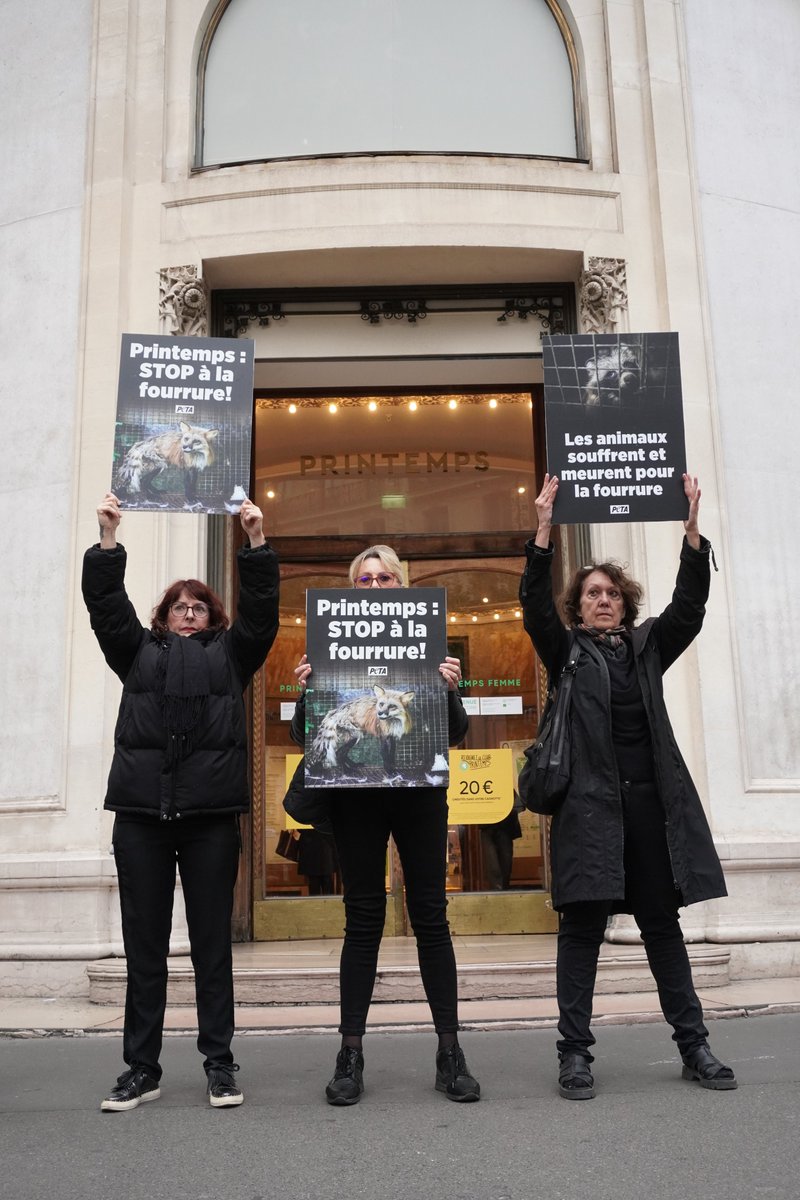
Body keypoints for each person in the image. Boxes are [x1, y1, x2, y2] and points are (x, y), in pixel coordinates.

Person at [521, 473, 735, 1100]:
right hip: (588, 815)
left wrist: (691, 529)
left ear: (626, 601)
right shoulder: (565, 654)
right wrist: (542, 528)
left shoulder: (646, 648)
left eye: (611, 592)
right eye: (591, 593)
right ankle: (575, 1055)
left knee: (662, 931)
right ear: (578, 607)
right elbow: (534, 605)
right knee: (581, 934)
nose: (603, 600)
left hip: (650, 815)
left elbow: (689, 610)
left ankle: (694, 1044)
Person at [83, 493, 279, 1112]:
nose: (189, 614)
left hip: (210, 821)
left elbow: (263, 617)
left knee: (211, 947)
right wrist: (109, 540)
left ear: (211, 619)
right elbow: (106, 610)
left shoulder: (230, 658)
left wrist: (255, 543)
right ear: (163, 618)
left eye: (198, 608)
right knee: (145, 946)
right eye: (178, 608)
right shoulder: (137, 654)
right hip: (141, 818)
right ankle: (142, 1068)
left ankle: (219, 1064)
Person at [290, 545, 480, 1105]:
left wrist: (451, 688)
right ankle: (350, 1053)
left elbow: (457, 732)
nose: (375, 586)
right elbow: (308, 737)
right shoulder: (329, 650)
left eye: (386, 578)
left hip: (419, 792)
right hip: (354, 798)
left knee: (430, 917)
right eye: (364, 579)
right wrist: (307, 689)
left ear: (403, 586)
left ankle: (450, 1052)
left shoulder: (431, 646)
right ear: (353, 592)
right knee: (363, 919)